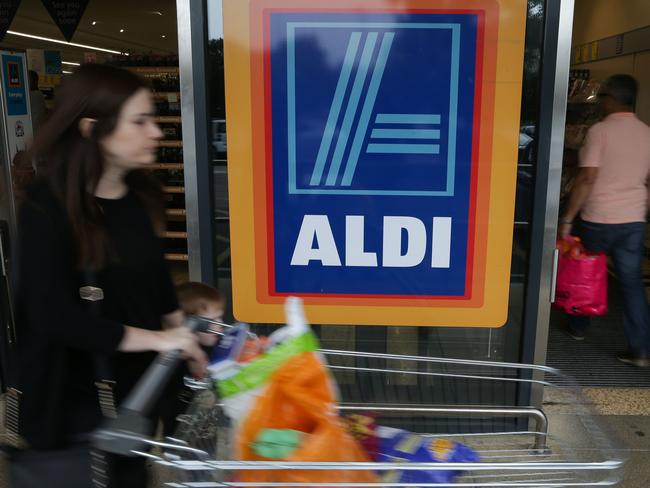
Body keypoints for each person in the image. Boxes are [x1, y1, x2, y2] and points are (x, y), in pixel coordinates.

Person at [7, 64, 208, 487]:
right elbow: (53, 317)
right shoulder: (47, 210)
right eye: (140, 121)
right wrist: (159, 339)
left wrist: (188, 342)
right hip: (74, 410)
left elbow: (157, 291)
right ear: (91, 129)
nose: (155, 132)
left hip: (133, 407)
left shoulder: (138, 199)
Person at [559, 74, 650, 367]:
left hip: (599, 217)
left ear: (611, 99)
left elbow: (587, 178)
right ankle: (640, 350)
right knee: (631, 283)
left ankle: (578, 327)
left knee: (586, 270)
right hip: (633, 220)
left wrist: (568, 218)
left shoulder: (600, 131)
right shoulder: (647, 133)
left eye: (602, 97)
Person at [160, 281, 225, 438]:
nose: (220, 325)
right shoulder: (174, 359)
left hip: (206, 428)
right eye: (212, 321)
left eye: (220, 317)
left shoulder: (213, 344)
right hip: (179, 433)